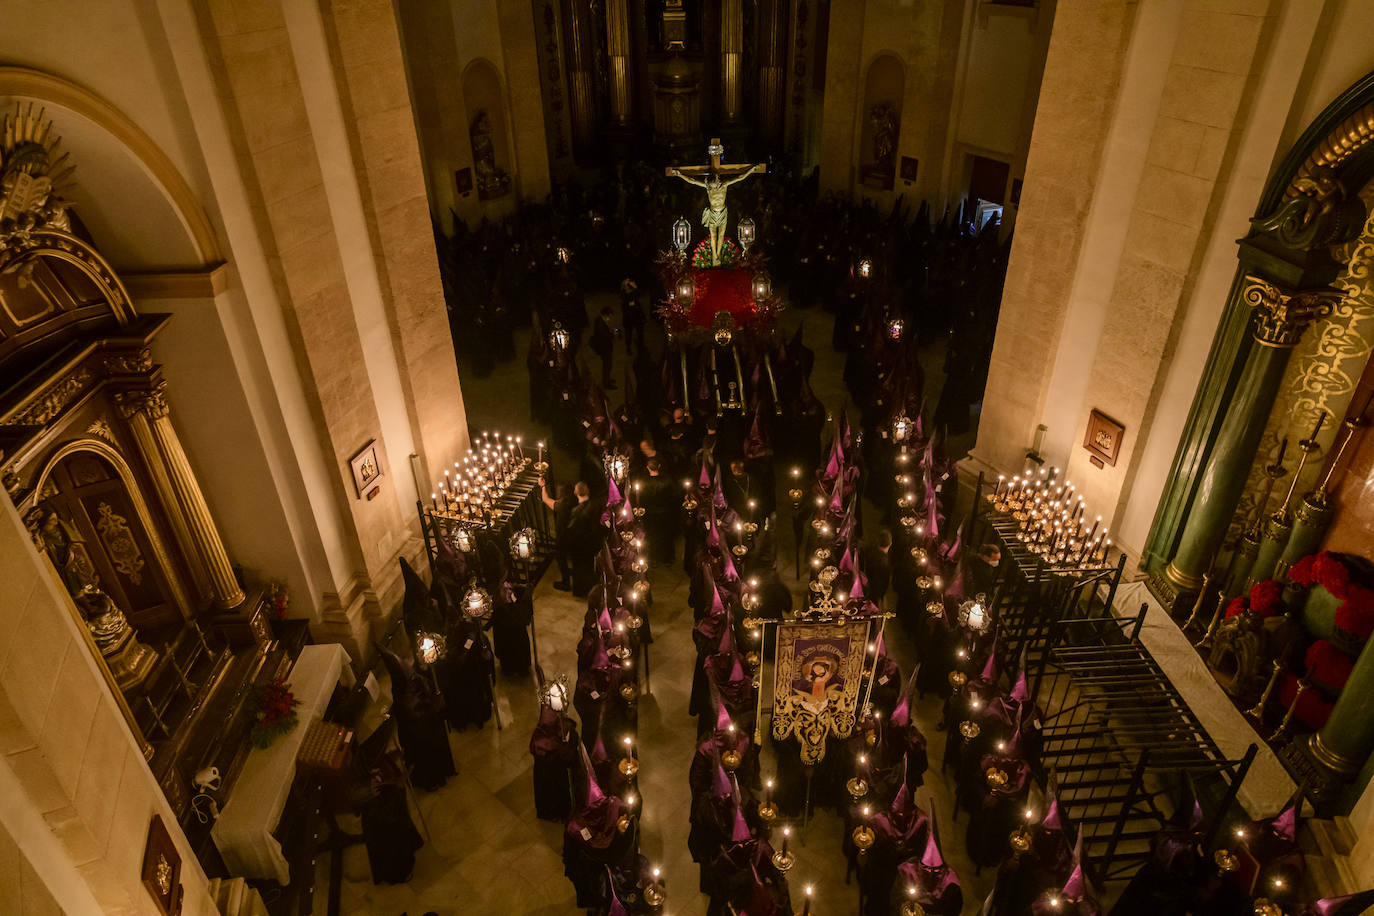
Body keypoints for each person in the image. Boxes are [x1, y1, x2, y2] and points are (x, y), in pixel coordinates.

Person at [566, 481, 601, 597]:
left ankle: (581, 591)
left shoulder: (576, 511)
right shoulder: (596, 505)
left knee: (580, 569)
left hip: (580, 545)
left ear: (575, 492)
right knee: (592, 567)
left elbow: (573, 531)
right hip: (594, 543)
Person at [540, 477, 575, 591]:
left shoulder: (562, 505)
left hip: (563, 535)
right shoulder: (574, 500)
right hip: (574, 533)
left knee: (561, 557)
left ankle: (566, 583)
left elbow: (545, 499)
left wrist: (543, 486)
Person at [862, 528, 893, 608]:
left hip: (869, 591)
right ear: (890, 543)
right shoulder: (883, 560)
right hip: (877, 593)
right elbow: (883, 580)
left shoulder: (870, 554)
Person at [590, 304, 619, 389]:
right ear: (606, 315)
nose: (610, 318)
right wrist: (613, 334)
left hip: (604, 347)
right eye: (609, 316)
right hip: (604, 349)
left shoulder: (599, 320)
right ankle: (607, 383)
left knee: (607, 365)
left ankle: (608, 379)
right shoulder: (600, 325)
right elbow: (604, 337)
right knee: (607, 365)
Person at [620, 276, 645, 355]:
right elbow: (625, 301)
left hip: (638, 316)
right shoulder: (623, 294)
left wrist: (635, 287)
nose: (630, 284)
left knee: (640, 333)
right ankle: (628, 348)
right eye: (628, 283)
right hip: (629, 318)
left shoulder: (634, 292)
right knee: (628, 334)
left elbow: (640, 294)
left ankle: (641, 346)